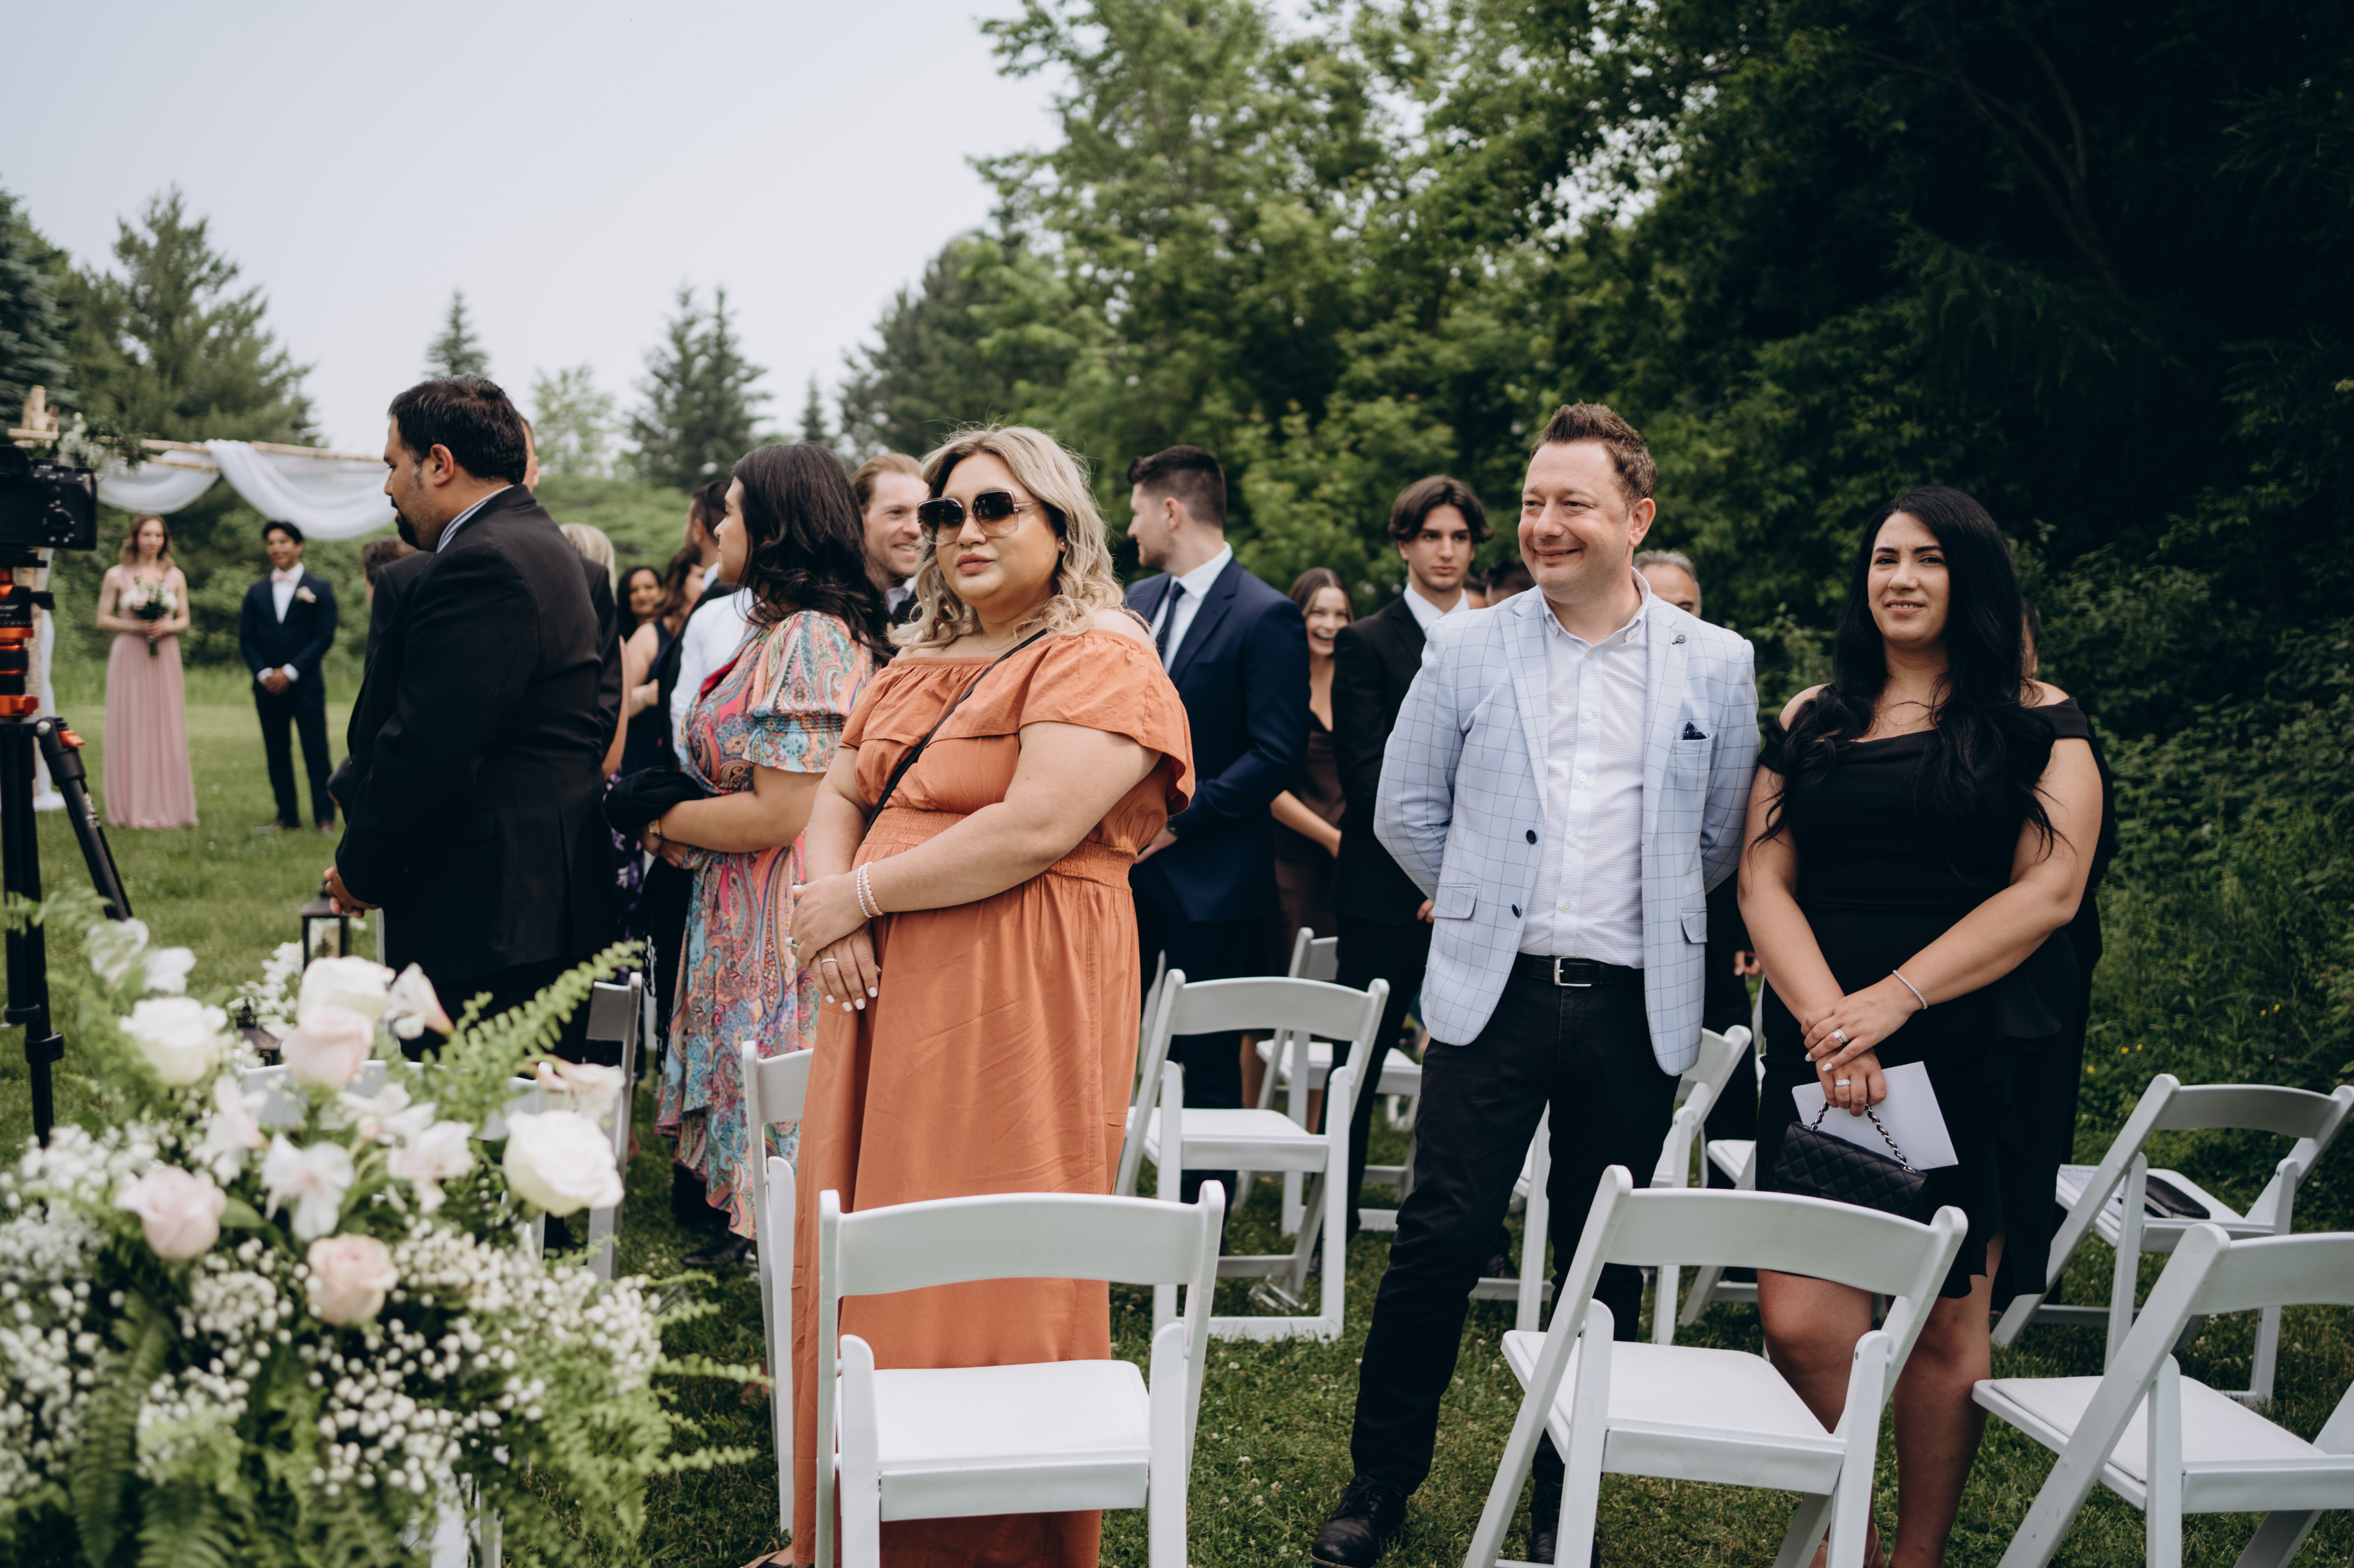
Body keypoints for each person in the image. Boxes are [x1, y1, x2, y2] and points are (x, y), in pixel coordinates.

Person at [1313, 405, 1760, 1568]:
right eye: (1531, 502)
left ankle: (1565, 1489)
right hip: (1491, 991)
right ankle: (1380, 1480)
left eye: (1572, 503)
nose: (1543, 523)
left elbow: (1716, 837)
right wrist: (1474, 899)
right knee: (1438, 1236)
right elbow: (1405, 806)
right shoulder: (1471, 645)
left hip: (1634, 1000)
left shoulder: (1717, 663)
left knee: (1600, 1256)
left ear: (1636, 517)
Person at [786, 424, 1192, 1566]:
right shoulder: (913, 659)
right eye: (946, 512)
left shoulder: (1101, 653)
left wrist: (859, 894)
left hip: (1020, 988)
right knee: (867, 1222)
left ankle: (990, 1541)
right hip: (878, 985)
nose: (963, 530)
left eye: (995, 508)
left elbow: (1034, 826)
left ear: (1061, 525)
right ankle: (858, 1521)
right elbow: (837, 794)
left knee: (992, 1235)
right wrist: (833, 911)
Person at [1740, 488, 2101, 1568]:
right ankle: (1849, 1540)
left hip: (1966, 1049)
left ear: (1972, 578)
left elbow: (2050, 892)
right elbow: (1762, 877)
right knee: (1802, 1321)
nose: (1899, 577)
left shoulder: (2039, 719)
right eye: (1885, 557)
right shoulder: (1815, 716)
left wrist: (1894, 1001)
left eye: (1929, 559)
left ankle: (1917, 1557)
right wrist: (1832, 1025)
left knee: (1946, 1319)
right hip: (1824, 1048)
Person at [647, 443, 885, 1264]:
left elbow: (784, 812)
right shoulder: (776, 628)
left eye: (732, 512)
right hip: (738, 897)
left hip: (778, 908)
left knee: (779, 1089)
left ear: (775, 529)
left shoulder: (811, 637)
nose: (717, 527)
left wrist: (663, 819)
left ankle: (789, 1262)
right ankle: (762, 1244)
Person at [329, 374, 614, 1059]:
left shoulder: (484, 562)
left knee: (473, 1108)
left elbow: (432, 749)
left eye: (394, 465)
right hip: (533, 898)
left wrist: (361, 870)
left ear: (439, 463)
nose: (388, 486)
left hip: (492, 913)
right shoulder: (535, 541)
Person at [1124, 444, 1307, 1203]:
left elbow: (1275, 754)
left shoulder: (1266, 614)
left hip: (1213, 878)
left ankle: (1201, 1219)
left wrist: (1177, 823)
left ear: (1171, 511)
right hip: (1124, 869)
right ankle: (1105, 1200)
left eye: (1137, 511)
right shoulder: (1135, 601)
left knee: (1204, 1056)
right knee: (1110, 1044)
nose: (1130, 528)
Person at [1327, 476, 1487, 1238]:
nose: (1446, 551)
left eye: (1459, 537)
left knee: (1476, 1074)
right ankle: (1332, 1222)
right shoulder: (1365, 642)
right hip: (1382, 892)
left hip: (1478, 893)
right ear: (1404, 545)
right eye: (1431, 536)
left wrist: (1459, 877)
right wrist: (1433, 870)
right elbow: (1366, 776)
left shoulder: (1502, 637)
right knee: (1356, 1061)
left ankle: (1472, 1232)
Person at [1636, 548, 1761, 1189]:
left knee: (1729, 1061)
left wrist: (1742, 927)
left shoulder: (1724, 676)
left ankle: (1728, 1205)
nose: (1674, 619)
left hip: (1706, 915)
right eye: (1660, 605)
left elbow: (1737, 814)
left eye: (1686, 607)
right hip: (1617, 928)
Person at [94, 513, 197, 828]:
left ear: (165, 540)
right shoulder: (117, 575)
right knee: (132, 722)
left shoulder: (175, 576)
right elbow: (103, 619)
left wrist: (167, 627)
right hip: (130, 653)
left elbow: (184, 619)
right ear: (135, 538)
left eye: (159, 536)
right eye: (147, 535)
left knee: (165, 724)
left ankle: (168, 806)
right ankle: (131, 806)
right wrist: (136, 627)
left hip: (164, 652)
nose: (153, 541)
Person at [237, 521, 340, 836]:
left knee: (316, 751)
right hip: (267, 687)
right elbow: (246, 638)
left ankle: (324, 818)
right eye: (271, 543)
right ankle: (287, 817)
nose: (276, 548)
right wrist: (265, 674)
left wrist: (291, 672)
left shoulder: (320, 588)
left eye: (283, 542)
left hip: (307, 685)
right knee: (277, 751)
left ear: (299, 546)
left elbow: (324, 636)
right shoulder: (256, 591)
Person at [1270, 566, 1351, 944]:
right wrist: (1332, 839)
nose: (1330, 625)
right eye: (1318, 613)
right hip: (1290, 856)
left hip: (1349, 856)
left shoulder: (1356, 679)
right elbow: (1266, 785)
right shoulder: (1278, 681)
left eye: (1341, 615)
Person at [619, 549, 700, 777]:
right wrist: (646, 695)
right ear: (680, 582)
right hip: (648, 763)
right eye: (702, 576)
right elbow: (615, 705)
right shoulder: (650, 634)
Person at [852, 451, 926, 622]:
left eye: (924, 515)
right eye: (897, 512)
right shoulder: (827, 610)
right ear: (858, 517)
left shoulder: (946, 613)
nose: (916, 530)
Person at [621, 564, 663, 639]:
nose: (642, 595)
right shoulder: (616, 636)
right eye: (633, 590)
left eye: (649, 587)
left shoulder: (675, 630)